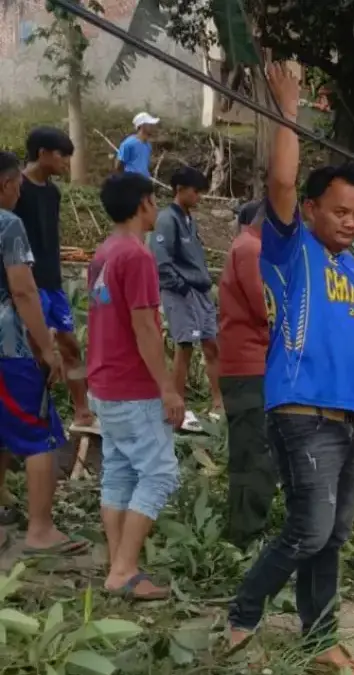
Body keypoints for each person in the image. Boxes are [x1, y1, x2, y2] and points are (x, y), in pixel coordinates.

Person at [227, 62, 354, 673]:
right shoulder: (292, 254)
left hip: (347, 418)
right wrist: (288, 112)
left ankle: (319, 640)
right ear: (315, 209)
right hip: (300, 412)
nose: (350, 221)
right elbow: (281, 184)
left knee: (334, 536)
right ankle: (244, 611)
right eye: (340, 210)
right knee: (310, 529)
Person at [88, 171, 185, 599]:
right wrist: (167, 386)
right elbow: (145, 326)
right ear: (143, 204)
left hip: (105, 382)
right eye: (153, 201)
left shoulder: (104, 252)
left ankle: (118, 565)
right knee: (160, 473)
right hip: (134, 385)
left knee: (121, 470)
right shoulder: (137, 256)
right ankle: (124, 570)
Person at [0, 150, 89, 558]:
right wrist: (47, 349)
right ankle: (40, 530)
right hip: (8, 349)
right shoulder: (9, 225)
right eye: (17, 183)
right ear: (5, 184)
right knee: (40, 436)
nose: (20, 190)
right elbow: (23, 291)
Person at [14, 127, 95, 431]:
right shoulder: (15, 188)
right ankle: (33, 417)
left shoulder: (52, 192)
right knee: (35, 353)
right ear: (43, 153)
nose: (65, 162)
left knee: (70, 345)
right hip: (26, 286)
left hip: (53, 284)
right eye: (62, 154)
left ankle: (82, 412)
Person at [217, 202, 275, 548]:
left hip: (246, 363)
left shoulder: (246, 245)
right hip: (250, 365)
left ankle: (243, 528)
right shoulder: (252, 249)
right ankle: (246, 533)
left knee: (249, 451)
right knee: (255, 453)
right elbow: (265, 308)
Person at [152, 166, 223, 424]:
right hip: (182, 292)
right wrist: (180, 286)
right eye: (195, 192)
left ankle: (218, 402)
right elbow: (161, 260)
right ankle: (177, 404)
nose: (199, 197)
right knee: (184, 346)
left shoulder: (188, 219)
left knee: (211, 344)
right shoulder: (167, 219)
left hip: (200, 291)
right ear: (180, 190)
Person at [116, 112, 159, 178]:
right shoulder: (128, 144)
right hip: (131, 182)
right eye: (150, 124)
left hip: (144, 182)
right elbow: (119, 166)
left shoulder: (148, 145)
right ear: (142, 126)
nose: (153, 127)